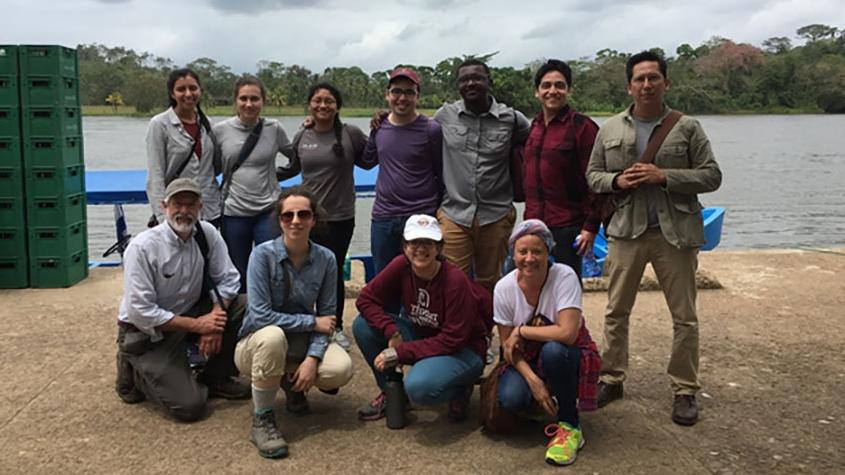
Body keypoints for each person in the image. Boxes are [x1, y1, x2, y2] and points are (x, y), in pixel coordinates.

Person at [586, 51, 722, 425]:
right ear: (629, 85)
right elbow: (592, 176)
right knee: (616, 311)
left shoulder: (687, 127)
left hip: (673, 233)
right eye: (640, 79)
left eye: (653, 78)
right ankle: (612, 378)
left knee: (684, 316)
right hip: (626, 231)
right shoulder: (610, 128)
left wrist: (665, 177)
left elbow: (712, 176)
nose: (646, 85)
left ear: (666, 83)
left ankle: (684, 389)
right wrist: (617, 181)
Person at [115, 178, 249, 422]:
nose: (184, 211)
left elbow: (229, 280)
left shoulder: (207, 234)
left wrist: (215, 322)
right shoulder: (143, 247)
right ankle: (133, 366)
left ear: (201, 207)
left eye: (191, 204)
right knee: (190, 408)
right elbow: (140, 311)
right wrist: (199, 326)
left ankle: (215, 376)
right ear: (165, 206)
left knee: (245, 305)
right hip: (148, 332)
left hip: (189, 314)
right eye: (178, 204)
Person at [235, 186, 353, 459]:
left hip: (297, 342)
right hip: (256, 343)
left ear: (313, 219)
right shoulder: (262, 256)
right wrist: (312, 323)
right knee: (273, 335)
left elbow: (328, 317)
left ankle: (292, 384)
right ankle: (262, 419)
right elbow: (261, 315)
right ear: (279, 221)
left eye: (303, 214)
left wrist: (312, 360)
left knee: (340, 369)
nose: (296, 221)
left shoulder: (326, 259)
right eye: (288, 215)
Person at [353, 214, 490, 422]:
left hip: (463, 349)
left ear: (439, 247)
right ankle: (393, 394)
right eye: (414, 242)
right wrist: (392, 330)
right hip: (424, 334)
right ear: (404, 246)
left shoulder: (454, 280)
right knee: (362, 325)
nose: (421, 249)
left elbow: (453, 339)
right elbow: (366, 299)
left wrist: (400, 352)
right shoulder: (401, 265)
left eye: (428, 242)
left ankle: (459, 389)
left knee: (420, 388)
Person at [277, 83, 376, 351]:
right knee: (302, 272)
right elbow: (292, 169)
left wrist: (379, 130)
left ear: (337, 105)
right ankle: (305, 325)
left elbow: (369, 160)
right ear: (309, 104)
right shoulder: (302, 135)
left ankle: (336, 327)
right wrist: (263, 176)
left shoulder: (350, 134)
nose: (323, 106)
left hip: (341, 216)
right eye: (317, 101)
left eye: (329, 101)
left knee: (332, 275)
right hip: (308, 218)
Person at [493, 220, 600, 466]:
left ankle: (570, 425)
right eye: (522, 251)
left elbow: (568, 334)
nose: (529, 258)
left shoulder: (565, 276)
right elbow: (507, 347)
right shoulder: (503, 288)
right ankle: (541, 399)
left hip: (562, 353)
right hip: (526, 359)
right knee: (511, 399)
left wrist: (522, 330)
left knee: (555, 352)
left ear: (548, 251)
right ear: (513, 253)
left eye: (537, 251)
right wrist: (533, 382)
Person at [432, 59, 530, 292]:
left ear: (490, 82)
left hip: (495, 214)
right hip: (454, 213)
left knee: (490, 282)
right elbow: (413, 128)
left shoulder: (513, 119)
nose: (471, 83)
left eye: (477, 78)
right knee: (452, 281)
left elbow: (537, 143)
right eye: (464, 79)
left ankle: (485, 328)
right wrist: (385, 117)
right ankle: (457, 329)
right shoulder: (444, 116)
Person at [213, 75, 293, 292]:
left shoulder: (274, 128)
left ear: (263, 101)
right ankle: (244, 318)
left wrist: (276, 177)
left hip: (267, 210)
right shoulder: (220, 131)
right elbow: (211, 168)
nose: (249, 104)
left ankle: (272, 316)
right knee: (237, 271)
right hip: (234, 212)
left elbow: (296, 156)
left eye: (255, 99)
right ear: (236, 101)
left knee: (272, 265)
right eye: (243, 98)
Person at [523, 60, 600, 280]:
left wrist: (590, 227)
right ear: (537, 92)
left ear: (568, 90)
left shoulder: (583, 127)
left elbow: (596, 181)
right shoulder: (534, 126)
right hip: (535, 224)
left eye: (559, 85)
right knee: (533, 284)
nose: (552, 91)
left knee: (568, 286)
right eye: (546, 86)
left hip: (570, 226)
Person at [362, 68, 443, 279]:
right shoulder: (379, 127)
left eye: (409, 92)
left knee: (421, 276)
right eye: (397, 91)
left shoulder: (431, 129)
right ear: (387, 94)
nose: (402, 98)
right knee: (384, 278)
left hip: (421, 214)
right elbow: (367, 160)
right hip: (384, 216)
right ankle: (386, 314)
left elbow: (441, 172)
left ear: (418, 97)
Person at [145, 68, 221, 226]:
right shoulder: (160, 124)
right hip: (178, 211)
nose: (188, 94)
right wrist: (162, 217)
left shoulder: (208, 125)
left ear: (201, 91)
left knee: (208, 250)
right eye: (181, 89)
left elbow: (215, 167)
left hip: (209, 208)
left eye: (193, 88)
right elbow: (156, 174)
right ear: (172, 94)